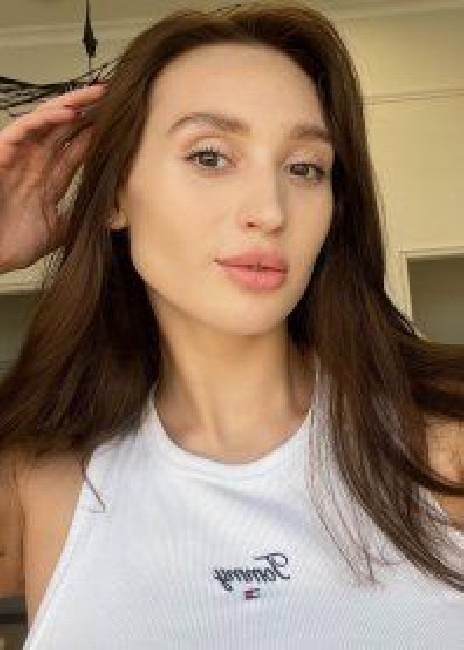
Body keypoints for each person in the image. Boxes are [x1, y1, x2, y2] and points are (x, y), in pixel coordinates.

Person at [0, 1, 463, 647]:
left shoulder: (443, 439)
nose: (270, 210)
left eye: (304, 167)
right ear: (114, 196)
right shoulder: (39, 476)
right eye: (211, 157)